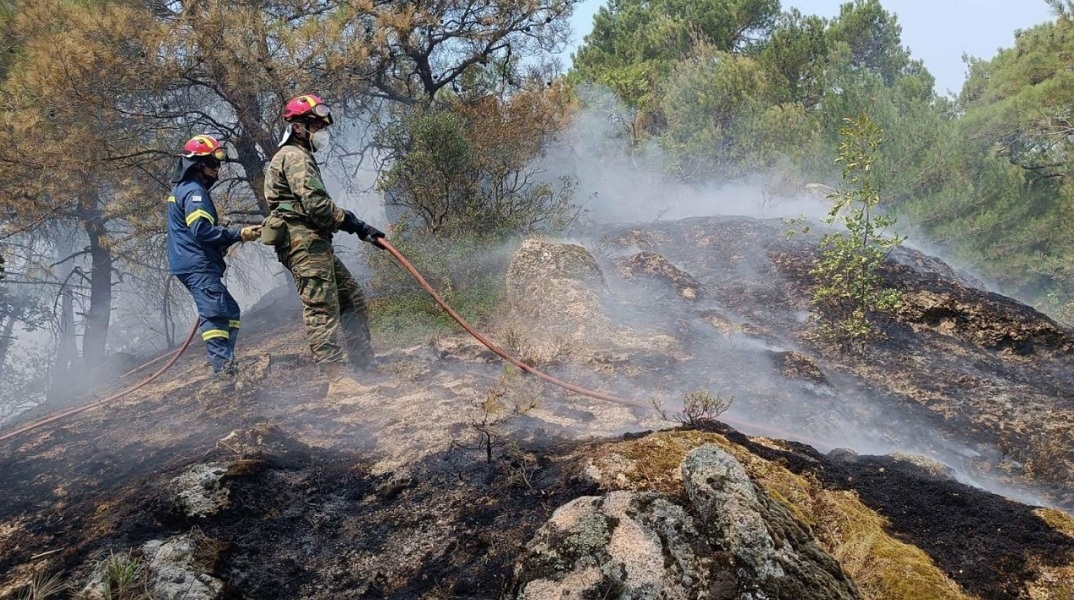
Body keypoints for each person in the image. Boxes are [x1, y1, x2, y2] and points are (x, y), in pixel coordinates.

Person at [263, 94, 385, 397]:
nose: (321, 132)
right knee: (322, 307)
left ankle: (364, 367)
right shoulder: (294, 156)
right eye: (316, 125)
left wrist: (355, 224)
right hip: (303, 242)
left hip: (314, 241)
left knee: (350, 298)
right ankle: (337, 380)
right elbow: (316, 205)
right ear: (299, 127)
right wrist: (353, 223)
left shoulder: (299, 156)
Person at [166, 135, 261, 392]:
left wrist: (221, 244)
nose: (217, 169)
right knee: (217, 314)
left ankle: (225, 362)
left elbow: (192, 232)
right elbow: (201, 230)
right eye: (213, 163)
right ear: (198, 164)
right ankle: (224, 373)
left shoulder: (183, 190)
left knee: (230, 311)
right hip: (197, 265)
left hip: (193, 262)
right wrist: (238, 234)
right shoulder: (195, 192)